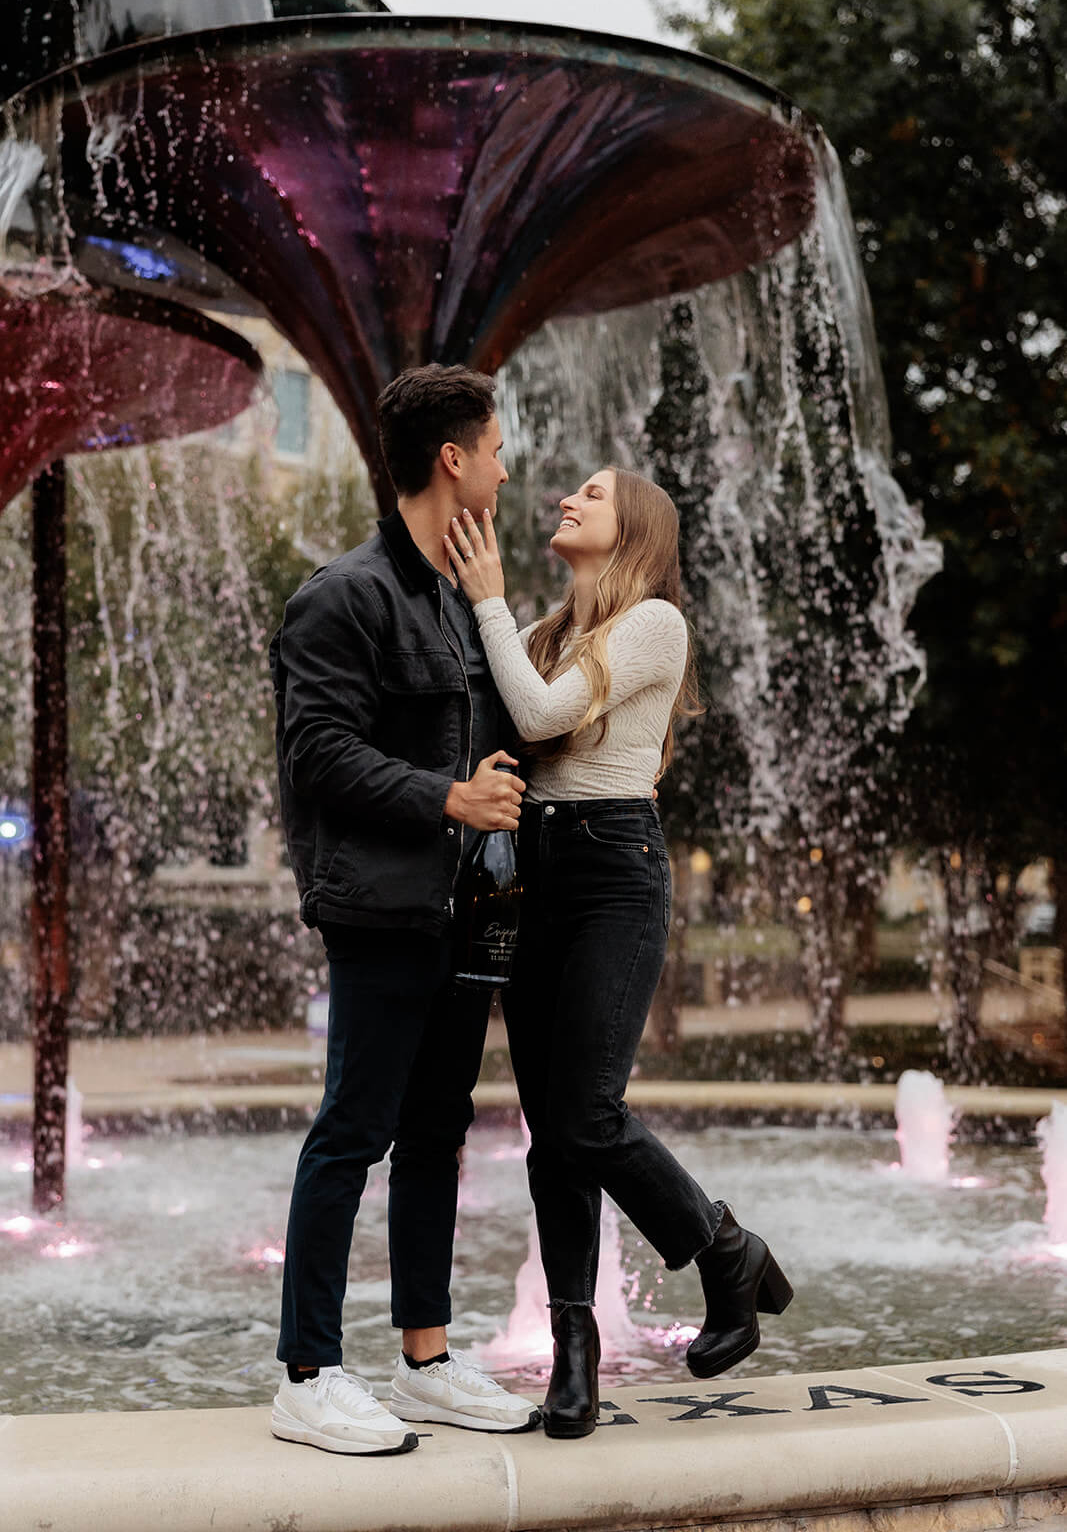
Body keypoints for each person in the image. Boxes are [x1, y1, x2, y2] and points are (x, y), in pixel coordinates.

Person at [446, 467, 793, 1440]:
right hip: (533, 879)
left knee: (586, 1111)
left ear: (630, 526)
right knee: (551, 1133)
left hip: (611, 869)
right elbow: (505, 711)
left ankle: (722, 1248)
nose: (566, 499)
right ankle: (574, 1356)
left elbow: (546, 716)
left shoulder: (653, 623)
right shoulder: (552, 635)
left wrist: (486, 602)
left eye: (589, 494)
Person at [267, 364, 540, 1455]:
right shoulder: (344, 594)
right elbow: (317, 752)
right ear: (452, 461)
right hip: (377, 906)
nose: (508, 467)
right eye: (496, 448)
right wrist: (449, 796)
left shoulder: (457, 599)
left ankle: (423, 1357)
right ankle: (308, 1371)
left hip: (463, 913)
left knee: (435, 1133)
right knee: (352, 1134)